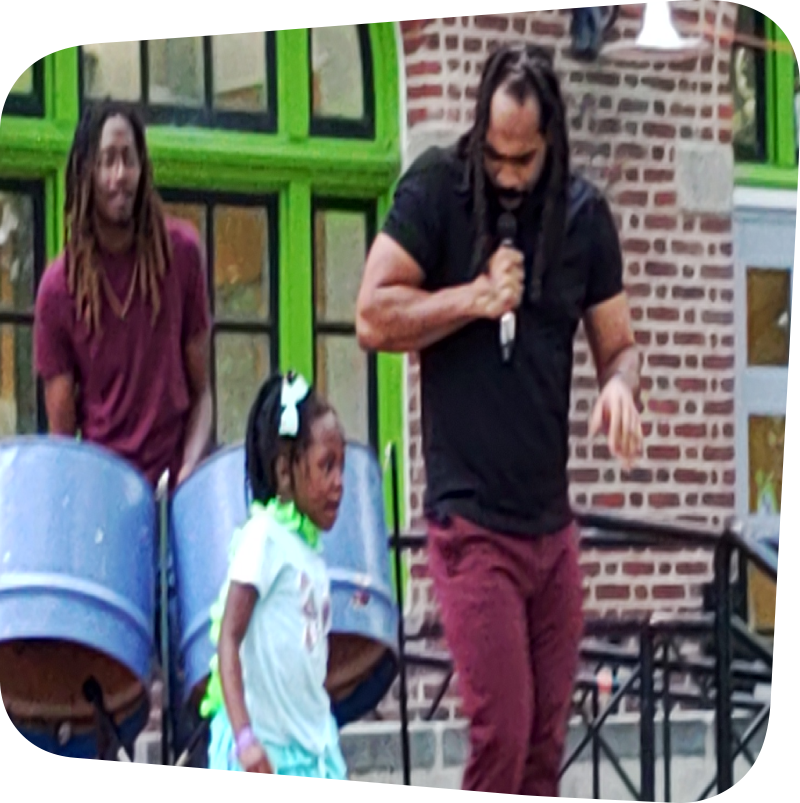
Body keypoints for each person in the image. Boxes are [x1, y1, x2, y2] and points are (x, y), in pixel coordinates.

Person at [355, 43, 644, 796]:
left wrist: (620, 388)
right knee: (503, 734)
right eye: (496, 156)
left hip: (552, 530)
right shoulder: (436, 192)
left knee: (547, 743)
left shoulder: (584, 217)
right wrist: (473, 298)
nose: (509, 176)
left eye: (525, 160)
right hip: (472, 525)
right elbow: (372, 315)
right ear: (478, 133)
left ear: (553, 144)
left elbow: (619, 346)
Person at [32, 100, 213, 761]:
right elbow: (64, 442)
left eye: (128, 157)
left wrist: (189, 476)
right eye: (106, 159)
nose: (119, 174)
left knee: (200, 683)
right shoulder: (57, 289)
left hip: (180, 497)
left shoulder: (182, 254)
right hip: (108, 516)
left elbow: (204, 393)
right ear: (85, 171)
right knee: (105, 701)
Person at [200, 371, 349, 779]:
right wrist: (244, 738)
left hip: (312, 749)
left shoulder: (311, 553)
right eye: (326, 466)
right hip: (263, 750)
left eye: (343, 467)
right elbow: (228, 637)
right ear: (286, 471)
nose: (339, 483)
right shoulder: (263, 537)